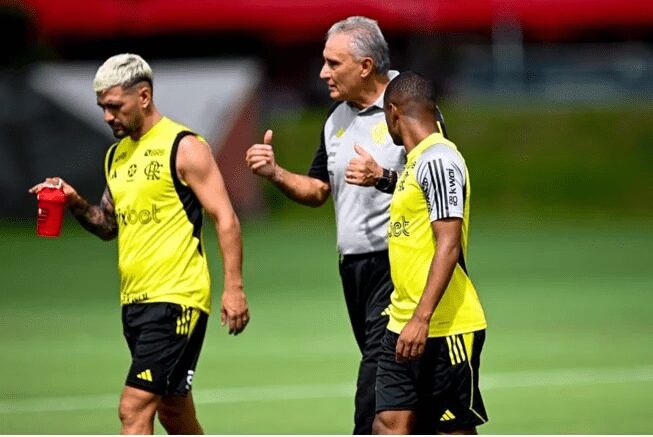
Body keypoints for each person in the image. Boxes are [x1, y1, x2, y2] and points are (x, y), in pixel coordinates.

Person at [29, 53, 250, 435]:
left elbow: (225, 218)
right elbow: (107, 225)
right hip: (135, 302)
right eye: (102, 107)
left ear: (144, 96)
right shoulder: (116, 155)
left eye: (114, 106)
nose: (107, 116)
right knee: (175, 411)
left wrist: (235, 287)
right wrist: (75, 202)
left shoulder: (184, 147)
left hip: (177, 298)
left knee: (133, 409)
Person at [245, 16, 410, 434]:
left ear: (366, 66)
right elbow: (319, 189)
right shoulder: (335, 118)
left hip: (400, 267)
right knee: (405, 393)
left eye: (333, 63)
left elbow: (439, 181)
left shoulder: (409, 105)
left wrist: (384, 178)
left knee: (374, 397)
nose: (323, 73)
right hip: (354, 271)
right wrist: (276, 173)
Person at [373, 71, 488, 435]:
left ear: (394, 113)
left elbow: (448, 244)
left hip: (444, 326)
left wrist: (421, 319)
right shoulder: (414, 163)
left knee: (450, 430)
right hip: (400, 320)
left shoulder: (439, 160)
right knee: (388, 424)